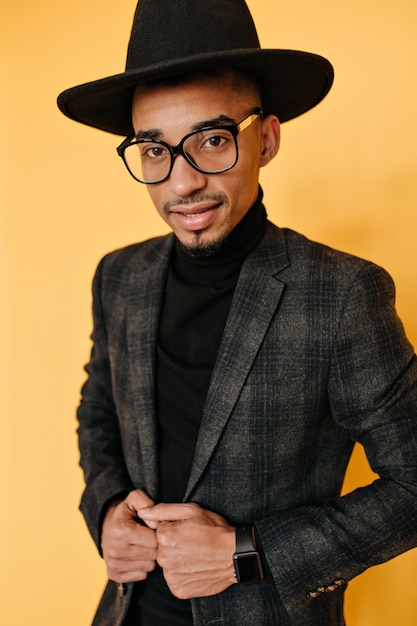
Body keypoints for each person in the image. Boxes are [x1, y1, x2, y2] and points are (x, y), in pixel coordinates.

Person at [57, 0, 417, 624]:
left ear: (267, 139)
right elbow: (98, 411)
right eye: (154, 150)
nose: (181, 183)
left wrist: (248, 553)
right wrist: (108, 508)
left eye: (213, 141)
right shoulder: (119, 276)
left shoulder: (342, 292)